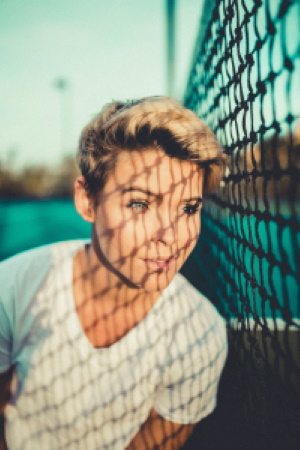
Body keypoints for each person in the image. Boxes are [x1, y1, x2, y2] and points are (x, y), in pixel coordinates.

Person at [0, 96, 228, 449]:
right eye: (140, 203)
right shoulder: (13, 287)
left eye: (188, 208)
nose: (170, 236)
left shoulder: (199, 332)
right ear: (88, 200)